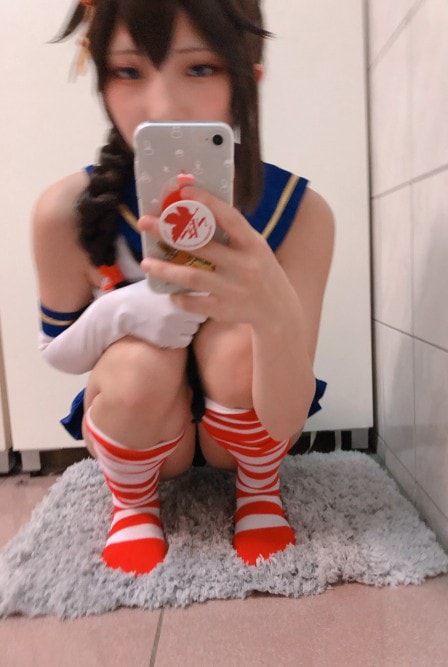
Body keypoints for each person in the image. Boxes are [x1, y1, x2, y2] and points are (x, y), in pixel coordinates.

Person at [34, 0, 334, 576]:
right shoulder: (64, 212)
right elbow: (58, 352)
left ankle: (259, 488)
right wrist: (124, 311)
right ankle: (133, 504)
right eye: (129, 71)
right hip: (143, 426)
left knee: (243, 344)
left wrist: (271, 312)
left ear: (247, 81)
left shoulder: (301, 214)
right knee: (140, 364)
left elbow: (288, 412)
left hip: (247, 426)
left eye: (200, 68)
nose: (163, 106)